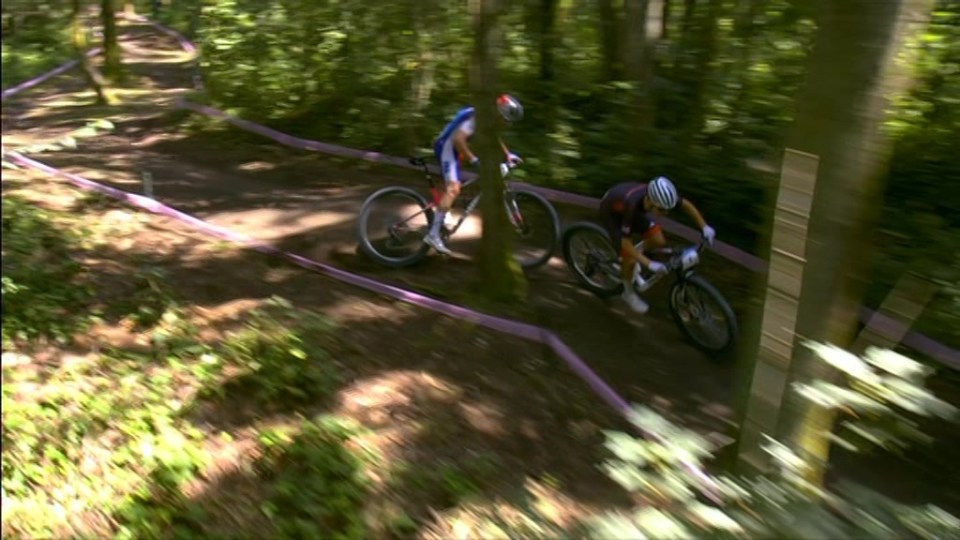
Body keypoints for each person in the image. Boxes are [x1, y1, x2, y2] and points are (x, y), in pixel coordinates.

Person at [423, 94, 525, 255]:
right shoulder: (477, 117)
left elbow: (494, 137)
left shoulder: (487, 116)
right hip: (448, 146)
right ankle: (432, 235)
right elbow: (458, 139)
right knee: (454, 188)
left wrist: (508, 155)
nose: (507, 124)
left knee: (453, 186)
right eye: (506, 120)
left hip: (454, 149)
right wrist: (474, 160)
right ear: (500, 112)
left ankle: (442, 213)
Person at [598, 176, 716, 314]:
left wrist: (704, 227)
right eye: (661, 210)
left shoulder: (661, 198)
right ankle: (627, 292)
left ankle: (637, 256)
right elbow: (626, 243)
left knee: (658, 240)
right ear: (650, 201)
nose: (665, 214)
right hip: (612, 212)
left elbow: (686, 205)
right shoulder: (631, 206)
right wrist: (649, 264)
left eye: (667, 210)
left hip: (631, 206)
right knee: (628, 258)